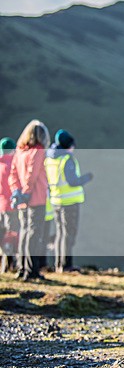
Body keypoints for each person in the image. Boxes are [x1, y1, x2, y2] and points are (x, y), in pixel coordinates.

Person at [45, 129, 93, 273]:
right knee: (68, 234)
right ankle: (66, 265)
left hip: (56, 200)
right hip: (69, 202)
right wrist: (87, 178)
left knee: (60, 233)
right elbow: (72, 181)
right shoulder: (67, 159)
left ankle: (59, 263)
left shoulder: (50, 159)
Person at [9, 120, 50, 281]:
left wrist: (17, 192)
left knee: (24, 231)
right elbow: (31, 175)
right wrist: (26, 192)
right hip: (36, 197)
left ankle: (22, 267)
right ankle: (32, 270)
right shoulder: (38, 151)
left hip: (22, 199)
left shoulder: (19, 152)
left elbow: (13, 174)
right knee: (34, 233)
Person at [0, 137, 18, 273]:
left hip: (1, 205)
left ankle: (3, 266)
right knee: (12, 235)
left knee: (2, 235)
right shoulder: (14, 164)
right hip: (12, 206)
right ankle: (10, 266)